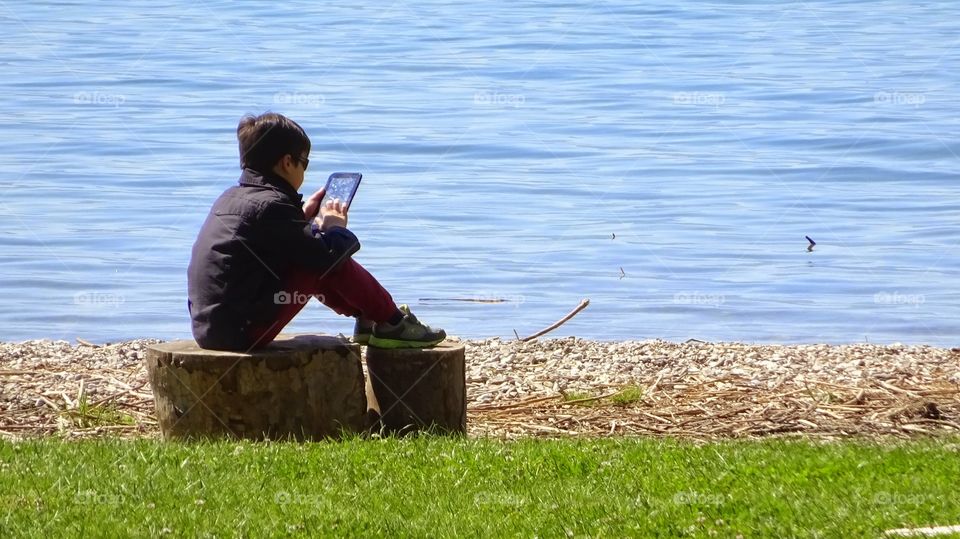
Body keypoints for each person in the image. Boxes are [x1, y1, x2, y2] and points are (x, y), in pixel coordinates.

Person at [187, 112, 446, 351]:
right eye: (304, 162)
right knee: (326, 259)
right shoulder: (271, 205)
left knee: (315, 249)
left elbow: (277, 245)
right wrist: (336, 229)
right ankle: (392, 321)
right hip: (243, 333)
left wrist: (302, 219)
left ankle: (369, 317)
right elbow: (324, 258)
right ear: (287, 162)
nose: (304, 170)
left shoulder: (231, 197)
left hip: (211, 328)